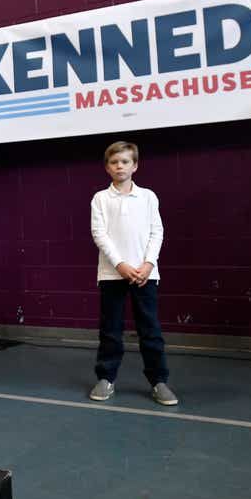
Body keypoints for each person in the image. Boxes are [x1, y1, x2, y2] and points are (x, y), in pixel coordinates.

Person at [88, 141, 176, 406]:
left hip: (144, 275)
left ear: (135, 165)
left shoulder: (148, 197)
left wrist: (148, 264)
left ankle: (159, 381)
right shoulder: (100, 199)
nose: (119, 166)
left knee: (150, 329)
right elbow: (99, 234)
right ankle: (106, 378)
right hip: (112, 274)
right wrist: (120, 265)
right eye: (114, 162)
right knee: (111, 330)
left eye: (125, 161)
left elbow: (156, 231)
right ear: (107, 167)